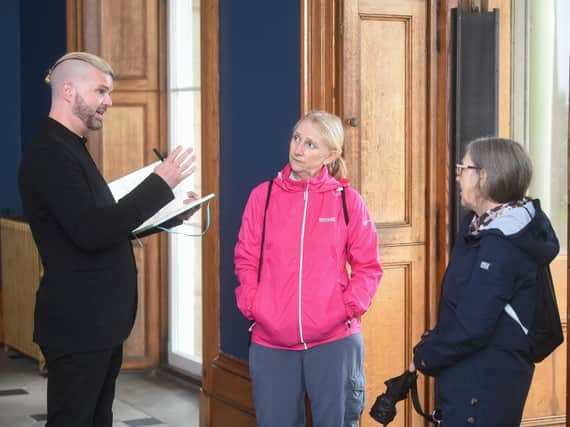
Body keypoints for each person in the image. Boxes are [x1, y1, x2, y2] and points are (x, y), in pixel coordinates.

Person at [18, 52, 199, 427]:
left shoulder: (70, 146)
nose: (109, 101)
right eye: (100, 90)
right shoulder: (51, 153)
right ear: (68, 90)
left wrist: (171, 213)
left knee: (97, 419)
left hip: (97, 323)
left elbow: (102, 225)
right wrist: (159, 183)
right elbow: (92, 231)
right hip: (78, 324)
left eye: (109, 92)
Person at [234, 110, 383, 426]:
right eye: (296, 138)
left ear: (331, 155)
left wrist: (346, 308)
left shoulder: (348, 202)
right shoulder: (263, 197)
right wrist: (253, 304)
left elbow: (368, 266)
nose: (298, 149)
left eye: (310, 145)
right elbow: (246, 259)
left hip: (334, 342)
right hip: (271, 342)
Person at [410, 137, 559, 426]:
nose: (457, 177)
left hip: (488, 380)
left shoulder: (503, 241)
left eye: (462, 168)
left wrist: (426, 356)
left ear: (484, 176)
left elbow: (473, 325)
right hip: (469, 371)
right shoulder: (477, 226)